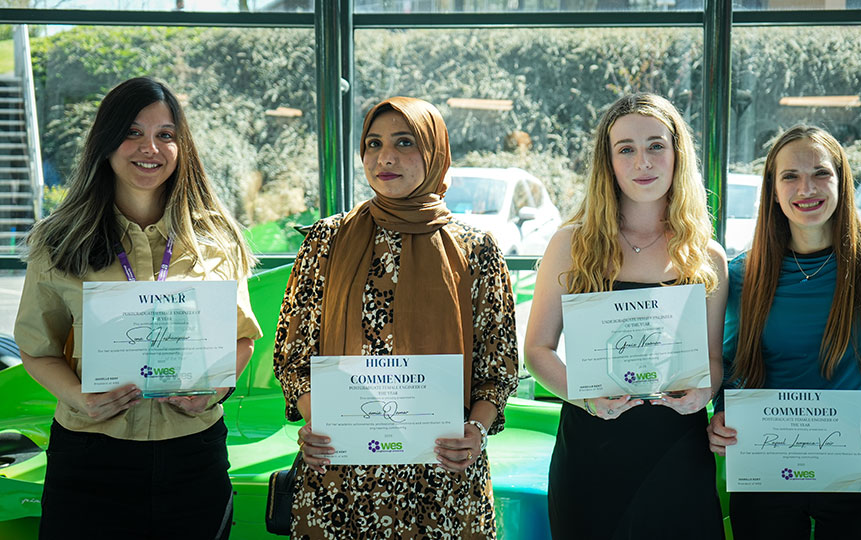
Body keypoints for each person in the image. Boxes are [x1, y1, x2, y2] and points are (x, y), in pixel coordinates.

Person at [14, 77, 262, 539]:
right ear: (105, 142)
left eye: (165, 134)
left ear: (180, 146)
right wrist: (79, 399)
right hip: (91, 456)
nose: (150, 147)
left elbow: (241, 339)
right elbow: (37, 349)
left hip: (194, 454)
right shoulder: (59, 241)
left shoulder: (216, 238)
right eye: (132, 132)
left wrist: (213, 392)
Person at [273, 96, 518, 539]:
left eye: (404, 142)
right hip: (341, 481)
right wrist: (318, 425)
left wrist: (475, 432)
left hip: (443, 480)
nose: (384, 157)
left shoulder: (475, 248)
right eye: (373, 143)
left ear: (435, 152)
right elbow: (294, 355)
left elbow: (498, 368)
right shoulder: (326, 241)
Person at [706, 125, 861, 540]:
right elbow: (730, 366)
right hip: (766, 469)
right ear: (774, 189)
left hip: (859, 464)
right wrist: (721, 416)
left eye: (820, 173)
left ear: (841, 180)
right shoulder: (743, 274)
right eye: (790, 176)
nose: (807, 188)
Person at [524, 92, 728, 539]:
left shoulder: (705, 256)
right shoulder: (570, 244)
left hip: (677, 451)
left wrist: (702, 395)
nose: (643, 163)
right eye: (627, 149)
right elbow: (537, 351)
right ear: (609, 162)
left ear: (677, 154)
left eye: (656, 145)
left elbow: (713, 361)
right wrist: (584, 397)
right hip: (590, 450)